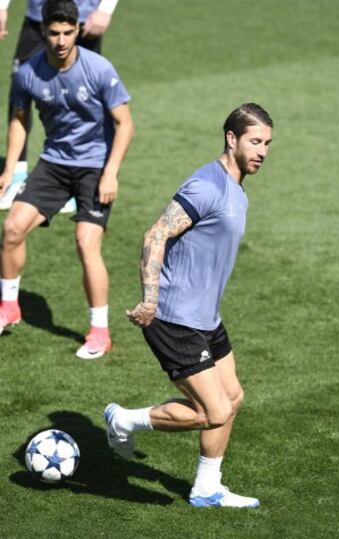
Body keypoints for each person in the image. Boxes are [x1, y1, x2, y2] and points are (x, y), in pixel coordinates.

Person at [104, 103, 273, 507]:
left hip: (205, 317)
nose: (263, 151)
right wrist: (150, 299)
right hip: (173, 316)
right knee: (212, 411)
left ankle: (206, 488)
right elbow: (155, 235)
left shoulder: (235, 185)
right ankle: (124, 419)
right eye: (254, 141)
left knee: (232, 398)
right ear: (231, 139)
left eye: (267, 143)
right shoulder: (206, 186)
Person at [0, 0, 134, 359]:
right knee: (12, 229)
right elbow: (18, 119)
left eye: (68, 33)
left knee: (85, 242)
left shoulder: (98, 69)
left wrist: (110, 173)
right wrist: (10, 168)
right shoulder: (28, 72)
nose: (61, 40)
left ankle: (99, 331)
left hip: (94, 167)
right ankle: (9, 306)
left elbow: (125, 124)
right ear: (42, 31)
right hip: (54, 164)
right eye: (54, 32)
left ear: (77, 30)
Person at [0, 0, 120, 211]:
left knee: (84, 96)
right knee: (20, 89)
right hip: (37, 17)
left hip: (83, 17)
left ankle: (79, 180)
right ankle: (17, 175)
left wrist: (105, 8)